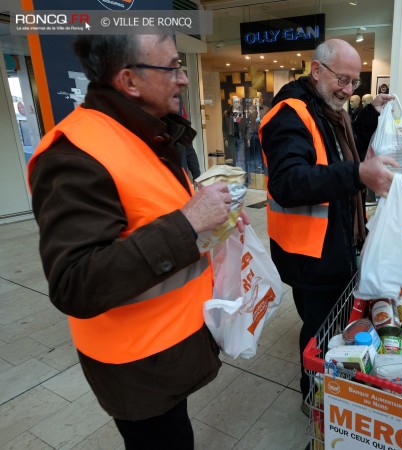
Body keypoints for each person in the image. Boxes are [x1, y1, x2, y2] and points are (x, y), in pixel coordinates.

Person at [28, 34, 249, 448]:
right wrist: (188, 223)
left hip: (169, 349)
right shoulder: (73, 156)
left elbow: (154, 214)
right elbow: (74, 282)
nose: (183, 79)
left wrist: (214, 224)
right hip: (134, 365)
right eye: (173, 67)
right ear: (129, 81)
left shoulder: (148, 136)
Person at [258, 39, 397, 413]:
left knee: (329, 321)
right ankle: (312, 397)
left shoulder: (324, 108)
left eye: (355, 82)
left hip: (332, 242)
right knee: (319, 331)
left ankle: (326, 385)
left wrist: (370, 113)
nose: (348, 89)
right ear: (317, 70)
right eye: (343, 79)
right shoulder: (289, 114)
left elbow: (338, 148)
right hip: (310, 252)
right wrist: (357, 174)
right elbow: (288, 182)